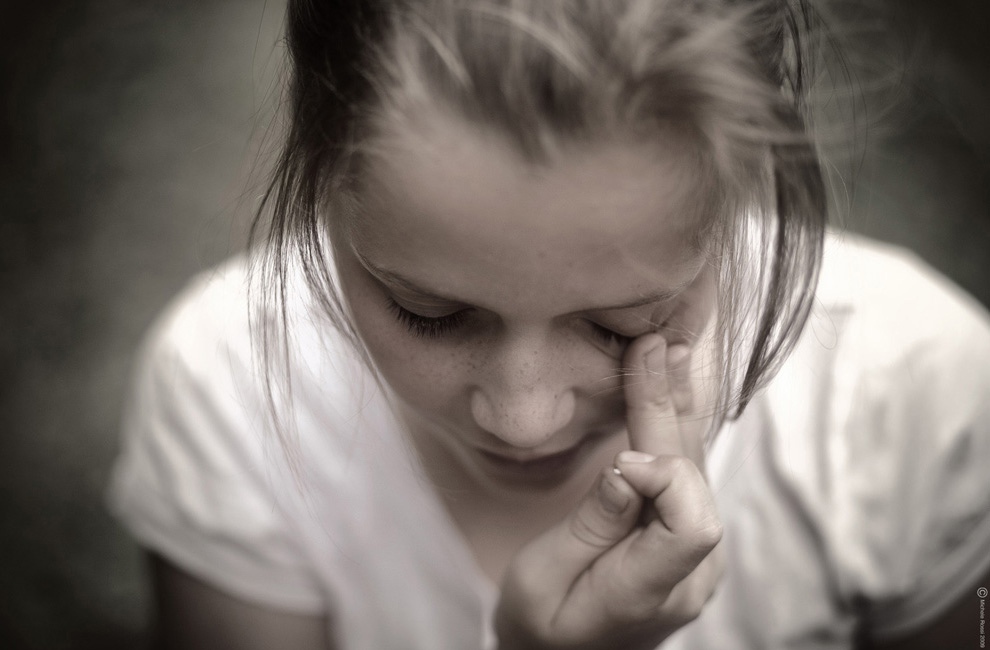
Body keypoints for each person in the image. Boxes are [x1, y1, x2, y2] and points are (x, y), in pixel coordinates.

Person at [107, 1, 990, 648]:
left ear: (743, 183)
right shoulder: (227, 391)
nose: (523, 419)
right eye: (428, 313)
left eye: (624, 325)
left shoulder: (919, 394)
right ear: (320, 174)